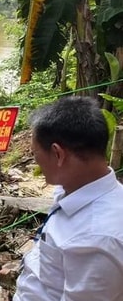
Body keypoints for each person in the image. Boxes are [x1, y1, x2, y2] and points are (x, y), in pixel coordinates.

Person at [14, 96, 123, 300]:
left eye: (35, 155)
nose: (36, 164)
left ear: (58, 154)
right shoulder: (75, 188)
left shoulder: (95, 238)